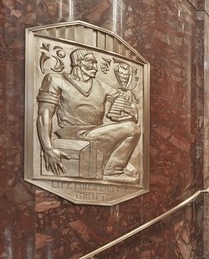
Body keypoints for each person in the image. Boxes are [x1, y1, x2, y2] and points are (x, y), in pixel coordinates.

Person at [36, 48, 141, 182]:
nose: (95, 67)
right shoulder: (56, 80)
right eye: (91, 62)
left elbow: (123, 98)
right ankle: (113, 171)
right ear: (78, 62)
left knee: (133, 169)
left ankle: (111, 167)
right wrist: (48, 148)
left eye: (95, 63)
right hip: (72, 134)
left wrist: (132, 109)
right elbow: (44, 113)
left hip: (96, 133)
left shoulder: (101, 86)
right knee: (132, 129)